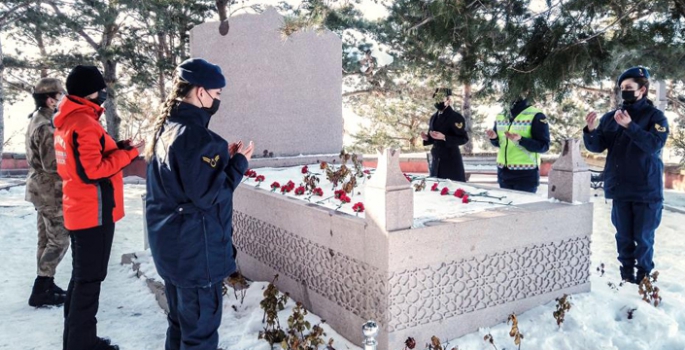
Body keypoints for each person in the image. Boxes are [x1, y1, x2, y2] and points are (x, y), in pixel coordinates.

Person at [145, 58, 254, 350]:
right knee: (200, 337)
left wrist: (221, 162)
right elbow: (209, 195)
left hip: (173, 251)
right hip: (196, 255)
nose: (218, 100)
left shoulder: (166, 129)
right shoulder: (199, 138)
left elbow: (186, 184)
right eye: (216, 94)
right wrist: (239, 165)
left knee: (180, 327)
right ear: (201, 91)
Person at [54, 65, 143, 350]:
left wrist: (118, 146)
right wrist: (129, 154)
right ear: (89, 91)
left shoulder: (71, 120)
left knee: (82, 280)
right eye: (100, 88)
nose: (103, 93)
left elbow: (90, 155)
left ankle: (77, 339)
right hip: (93, 213)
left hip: (81, 210)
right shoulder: (82, 123)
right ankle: (82, 344)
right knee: (89, 282)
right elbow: (92, 170)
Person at [583, 66, 668, 284]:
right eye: (622, 88)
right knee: (623, 239)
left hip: (646, 191)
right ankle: (626, 277)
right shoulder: (612, 117)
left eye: (629, 87)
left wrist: (631, 127)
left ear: (643, 90)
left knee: (643, 239)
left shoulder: (656, 117)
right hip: (620, 189)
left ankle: (644, 280)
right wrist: (591, 130)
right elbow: (597, 146)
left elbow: (654, 145)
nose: (625, 91)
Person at [25, 77, 70, 307]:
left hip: (39, 189)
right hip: (49, 191)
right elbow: (53, 165)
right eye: (60, 95)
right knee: (59, 240)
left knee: (45, 239)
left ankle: (46, 283)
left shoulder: (38, 119)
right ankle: (42, 286)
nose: (62, 99)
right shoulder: (46, 126)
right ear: (50, 99)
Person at [486, 97, 550, 193]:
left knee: (524, 207)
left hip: (525, 174)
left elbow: (544, 146)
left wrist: (521, 140)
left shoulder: (536, 115)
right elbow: (502, 144)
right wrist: (494, 138)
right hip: (503, 171)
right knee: (505, 207)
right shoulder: (501, 115)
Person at [421, 88, 469, 181]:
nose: (437, 101)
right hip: (436, 160)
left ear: (448, 100)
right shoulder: (433, 117)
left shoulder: (455, 117)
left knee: (451, 191)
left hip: (451, 161)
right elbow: (433, 137)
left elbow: (463, 139)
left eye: (440, 99)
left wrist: (444, 137)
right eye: (436, 99)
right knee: (436, 189)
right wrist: (427, 138)